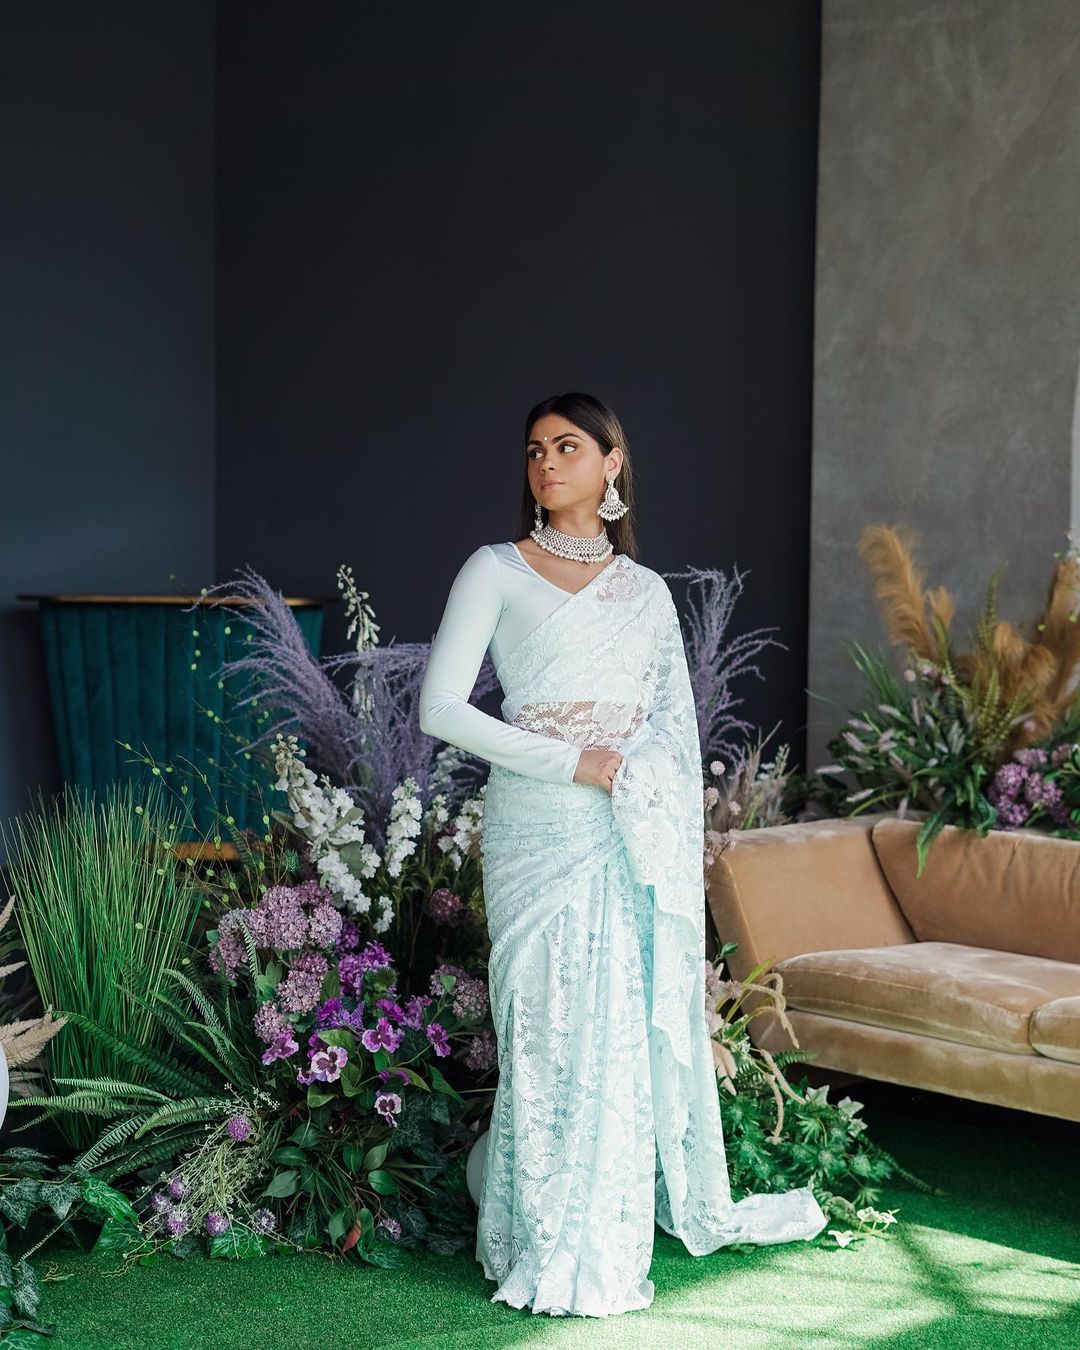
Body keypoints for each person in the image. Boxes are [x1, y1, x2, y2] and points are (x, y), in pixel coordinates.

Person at [418, 391, 826, 1317]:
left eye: (567, 447)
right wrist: (573, 760)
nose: (545, 463)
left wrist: (636, 786)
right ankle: (532, 1226)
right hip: (537, 826)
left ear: (612, 465)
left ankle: (598, 1235)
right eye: (533, 450)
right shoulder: (495, 570)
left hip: (621, 831)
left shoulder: (644, 594)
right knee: (544, 1024)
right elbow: (439, 708)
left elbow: (674, 736)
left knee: (610, 1026)